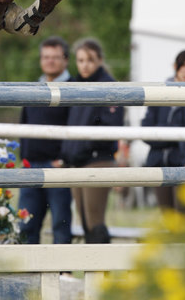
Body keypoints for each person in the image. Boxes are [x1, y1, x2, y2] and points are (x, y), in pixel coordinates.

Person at [61, 38, 124, 244]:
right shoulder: (74, 85)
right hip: (76, 160)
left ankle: (102, 273)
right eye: (80, 60)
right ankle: (94, 273)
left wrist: (86, 147)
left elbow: (110, 125)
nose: (84, 65)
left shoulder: (110, 87)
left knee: (95, 221)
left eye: (89, 60)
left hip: (98, 160)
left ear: (99, 60)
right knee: (85, 222)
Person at [18, 36, 72, 244]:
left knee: (60, 221)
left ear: (65, 59)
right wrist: (24, 158)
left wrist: (63, 160)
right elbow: (24, 123)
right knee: (27, 223)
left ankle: (63, 272)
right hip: (30, 167)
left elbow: (75, 126)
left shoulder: (74, 88)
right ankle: (27, 272)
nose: (49, 61)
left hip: (57, 167)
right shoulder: (34, 88)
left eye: (55, 57)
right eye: (45, 57)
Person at [142, 49, 185, 210]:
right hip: (159, 163)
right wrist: (175, 133)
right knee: (167, 217)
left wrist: (163, 134)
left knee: (184, 216)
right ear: (175, 66)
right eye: (184, 65)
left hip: (184, 163)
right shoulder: (159, 92)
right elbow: (146, 131)